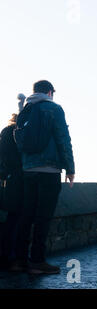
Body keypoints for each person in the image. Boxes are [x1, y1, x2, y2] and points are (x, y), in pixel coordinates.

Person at [11, 80, 75, 274]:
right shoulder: (54, 109)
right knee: (43, 217)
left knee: (26, 214)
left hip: (28, 170)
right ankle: (37, 261)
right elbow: (63, 139)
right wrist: (70, 168)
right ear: (50, 92)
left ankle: (19, 260)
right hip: (49, 170)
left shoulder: (26, 109)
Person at [0, 113, 24, 269]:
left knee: (10, 219)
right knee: (18, 219)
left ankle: (6, 256)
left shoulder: (5, 132)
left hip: (8, 178)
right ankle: (13, 257)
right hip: (20, 178)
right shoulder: (20, 133)